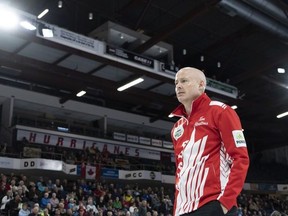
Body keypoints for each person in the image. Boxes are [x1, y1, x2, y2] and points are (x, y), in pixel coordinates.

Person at [170, 67, 249, 216]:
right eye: (176, 83)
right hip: (183, 209)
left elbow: (240, 158)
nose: (178, 86)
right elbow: (181, 171)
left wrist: (225, 202)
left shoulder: (221, 111)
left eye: (184, 81)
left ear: (201, 85)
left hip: (213, 203)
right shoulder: (177, 128)